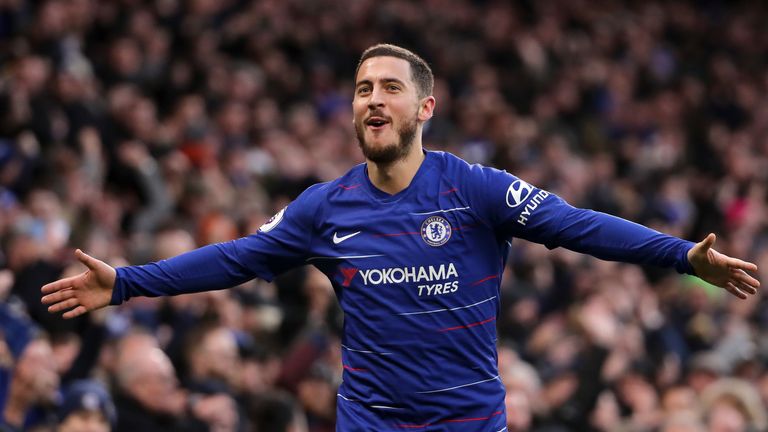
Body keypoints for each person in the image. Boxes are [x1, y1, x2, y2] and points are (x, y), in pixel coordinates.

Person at [41, 44, 760, 431]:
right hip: (370, 421)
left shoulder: (474, 188)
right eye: (361, 88)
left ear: (425, 106)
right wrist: (129, 281)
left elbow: (575, 225)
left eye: (388, 87)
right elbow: (235, 259)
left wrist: (683, 257)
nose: (373, 99)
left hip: (469, 420)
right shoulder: (324, 208)